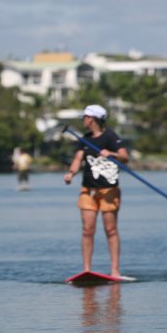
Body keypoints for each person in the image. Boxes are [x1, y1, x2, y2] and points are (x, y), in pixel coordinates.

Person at [63, 104, 130, 277]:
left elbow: (125, 157)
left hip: (109, 191)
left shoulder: (110, 137)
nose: (83, 120)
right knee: (87, 230)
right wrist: (71, 173)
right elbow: (78, 159)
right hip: (88, 190)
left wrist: (112, 154)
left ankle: (115, 270)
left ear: (92, 119)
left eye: (85, 117)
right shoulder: (84, 139)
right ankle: (86, 269)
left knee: (110, 230)